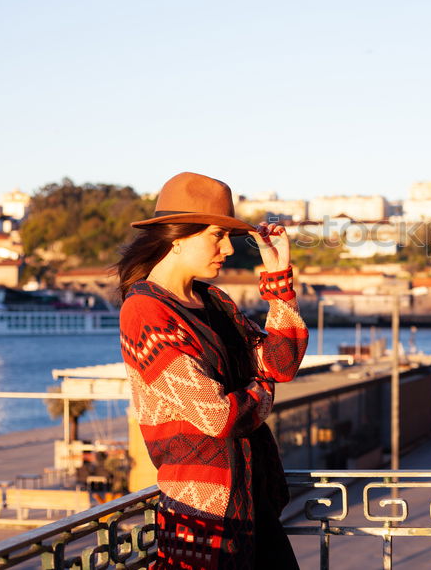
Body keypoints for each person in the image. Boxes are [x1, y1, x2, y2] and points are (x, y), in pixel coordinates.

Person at [115, 171, 308, 569]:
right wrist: (264, 388)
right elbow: (216, 414)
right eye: (215, 235)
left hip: (254, 505)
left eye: (228, 237)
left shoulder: (214, 300)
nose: (227, 249)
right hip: (202, 518)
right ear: (178, 237)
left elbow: (280, 362)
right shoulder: (145, 311)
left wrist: (278, 278)